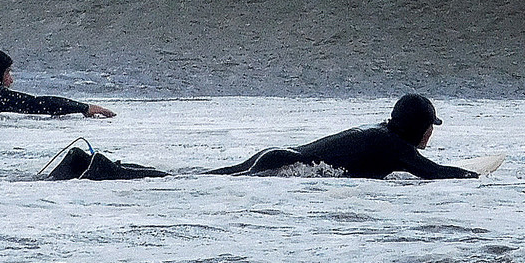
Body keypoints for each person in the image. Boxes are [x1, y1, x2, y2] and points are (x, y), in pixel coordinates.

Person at [43, 94, 479, 181]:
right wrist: (474, 176)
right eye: (431, 127)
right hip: (278, 164)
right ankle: (100, 167)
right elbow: (434, 173)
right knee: (187, 181)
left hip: (275, 157)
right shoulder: (393, 145)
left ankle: (101, 166)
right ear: (420, 127)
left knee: (190, 178)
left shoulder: (381, 134)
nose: (430, 136)